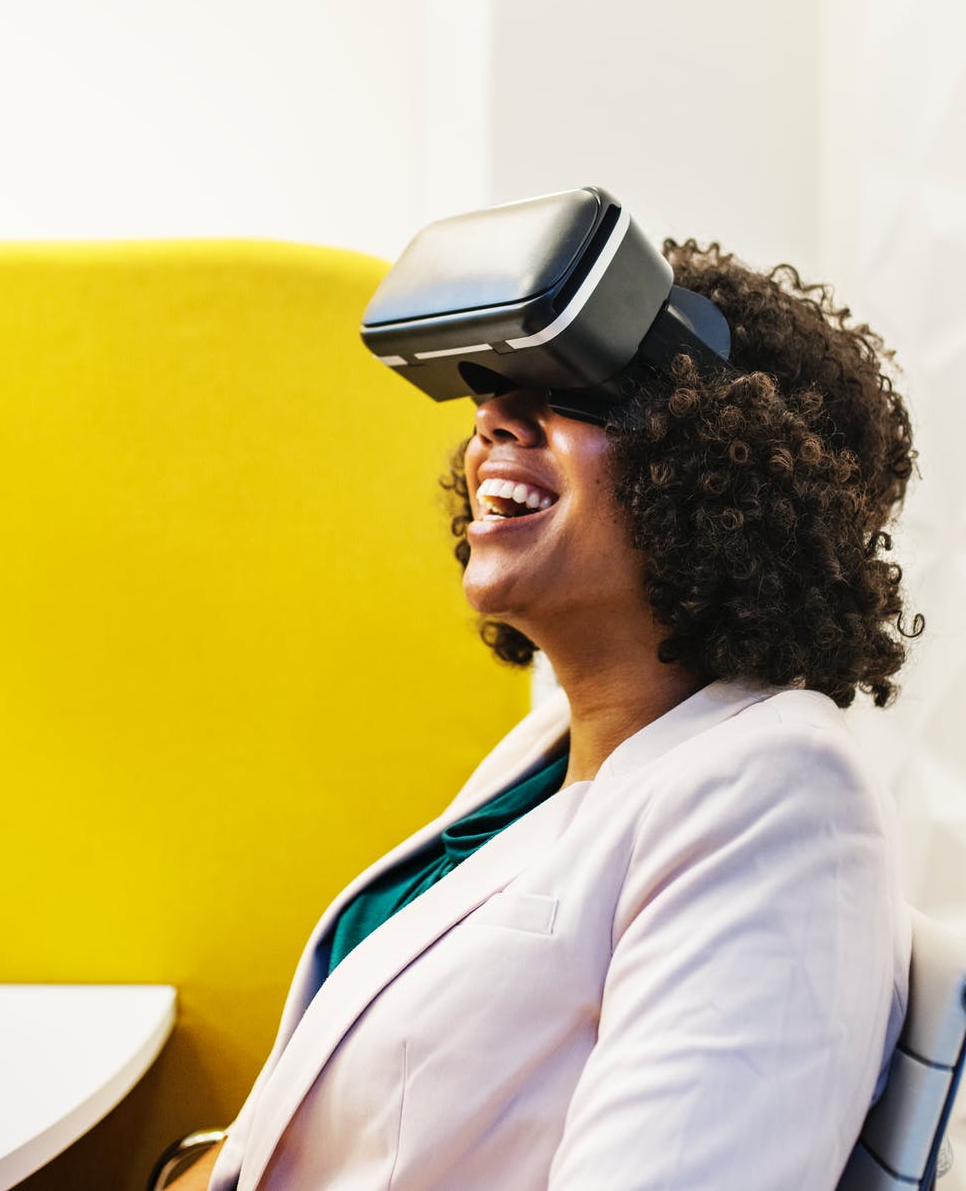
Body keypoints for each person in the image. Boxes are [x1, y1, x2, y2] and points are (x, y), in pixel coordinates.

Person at [173, 238, 920, 1190]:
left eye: (579, 385)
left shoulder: (778, 796)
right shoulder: (548, 752)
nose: (494, 417)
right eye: (497, 387)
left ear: (723, 476)